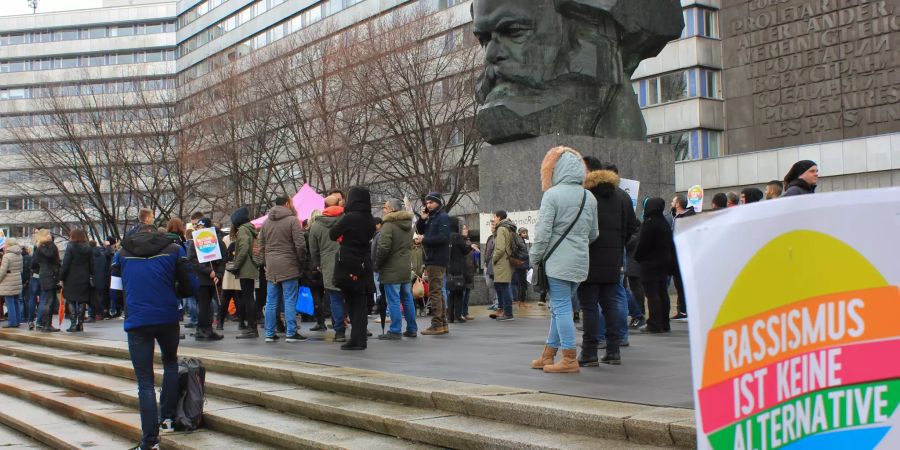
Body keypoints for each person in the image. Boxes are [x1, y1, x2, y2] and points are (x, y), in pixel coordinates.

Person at [112, 224, 193, 450]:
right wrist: (175, 293)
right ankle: (167, 418)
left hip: (137, 320)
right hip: (167, 316)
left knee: (145, 381)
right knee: (170, 363)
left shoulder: (122, 253)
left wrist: (125, 306)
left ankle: (150, 441)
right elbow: (190, 284)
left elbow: (114, 290)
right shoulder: (174, 249)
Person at [529, 146, 598, 374]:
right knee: (561, 307)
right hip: (580, 262)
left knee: (560, 307)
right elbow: (593, 233)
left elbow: (543, 233)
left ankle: (569, 358)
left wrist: (534, 258)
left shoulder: (552, 194)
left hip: (557, 262)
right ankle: (548, 354)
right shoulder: (589, 196)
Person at [577, 156, 638, 366]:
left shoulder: (585, 195)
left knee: (590, 306)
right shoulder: (621, 195)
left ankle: (589, 352)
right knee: (612, 304)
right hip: (613, 259)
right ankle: (613, 350)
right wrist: (618, 245)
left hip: (589, 258)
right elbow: (632, 226)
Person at [329, 187, 376, 350]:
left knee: (350, 302)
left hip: (348, 262)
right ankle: (360, 339)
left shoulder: (349, 218)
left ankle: (355, 339)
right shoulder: (370, 219)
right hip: (364, 263)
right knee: (361, 304)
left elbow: (332, 234)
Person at [259, 195, 309, 343]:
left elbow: (261, 245)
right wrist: (301, 261)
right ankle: (291, 332)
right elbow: (300, 245)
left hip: (271, 266)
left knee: (271, 301)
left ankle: (269, 333)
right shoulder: (293, 220)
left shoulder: (266, 222)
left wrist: (266, 261)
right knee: (289, 299)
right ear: (287, 203)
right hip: (289, 264)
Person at [374, 199, 417, 339]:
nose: (384, 210)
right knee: (407, 299)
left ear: (392, 209)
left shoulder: (388, 226)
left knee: (393, 300)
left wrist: (377, 264)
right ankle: (412, 328)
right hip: (405, 267)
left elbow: (383, 248)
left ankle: (395, 329)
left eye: (385, 207)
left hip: (391, 268)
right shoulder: (408, 225)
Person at [634, 198, 676, 334]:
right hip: (663, 263)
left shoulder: (649, 223)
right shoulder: (664, 223)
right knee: (662, 292)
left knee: (652, 294)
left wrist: (637, 257)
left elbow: (642, 245)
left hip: (649, 264)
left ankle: (654, 323)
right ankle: (665, 322)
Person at [310, 195, 347, 342]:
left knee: (335, 300)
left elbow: (313, 250)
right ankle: (359, 328)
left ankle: (339, 332)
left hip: (328, 266)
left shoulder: (316, 226)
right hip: (348, 263)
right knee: (353, 299)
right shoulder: (346, 220)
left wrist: (318, 263)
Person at [415, 192, 452, 335]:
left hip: (437, 259)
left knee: (435, 292)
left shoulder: (442, 217)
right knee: (437, 291)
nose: (428, 205)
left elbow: (442, 237)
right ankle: (442, 323)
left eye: (431, 202)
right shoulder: (432, 217)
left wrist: (424, 239)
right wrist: (422, 218)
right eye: (427, 203)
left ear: (438, 202)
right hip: (432, 258)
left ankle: (437, 324)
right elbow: (420, 230)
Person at [185, 218, 225, 341]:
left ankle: (207, 329)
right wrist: (209, 271)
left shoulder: (217, 241)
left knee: (208, 305)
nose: (198, 229)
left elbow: (223, 259)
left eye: (201, 227)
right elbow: (192, 260)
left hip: (213, 279)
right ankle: (202, 329)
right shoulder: (195, 242)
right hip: (201, 278)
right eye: (198, 227)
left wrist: (218, 274)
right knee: (204, 305)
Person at [230, 206, 261, 339]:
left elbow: (243, 249)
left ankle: (251, 328)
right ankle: (252, 327)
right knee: (250, 298)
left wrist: (235, 266)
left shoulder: (243, 230)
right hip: (251, 266)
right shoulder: (250, 228)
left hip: (245, 267)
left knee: (248, 298)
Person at [669, 195, 693, 322]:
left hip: (682, 257)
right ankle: (682, 310)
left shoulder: (686, 218)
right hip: (676, 257)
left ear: (678, 203)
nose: (671, 202)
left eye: (673, 201)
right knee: (679, 286)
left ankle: (684, 310)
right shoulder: (675, 216)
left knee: (683, 285)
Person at [32, 229, 61, 332]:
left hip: (44, 274)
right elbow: (51, 256)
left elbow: (33, 263)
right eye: (48, 234)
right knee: (50, 300)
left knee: (48, 300)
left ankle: (45, 324)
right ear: (44, 236)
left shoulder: (38, 247)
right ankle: (47, 325)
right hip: (50, 275)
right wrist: (51, 244)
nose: (50, 235)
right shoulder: (49, 246)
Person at [490, 211, 516, 321]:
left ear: (499, 217)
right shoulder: (508, 227)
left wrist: (494, 259)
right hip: (507, 261)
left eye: (494, 217)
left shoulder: (501, 229)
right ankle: (505, 311)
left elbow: (500, 249)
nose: (493, 219)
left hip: (501, 262)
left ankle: (508, 313)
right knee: (503, 287)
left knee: (504, 288)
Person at [446, 217, 472, 323]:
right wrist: (471, 247)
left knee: (451, 293)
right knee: (459, 293)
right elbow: (465, 250)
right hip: (458, 268)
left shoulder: (447, 237)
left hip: (449, 268)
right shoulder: (457, 236)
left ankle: (450, 317)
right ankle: (458, 315)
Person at [0, 239, 23, 328]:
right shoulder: (19, 255)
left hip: (8, 281)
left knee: (9, 302)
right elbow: (21, 269)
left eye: (5, 243)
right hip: (17, 279)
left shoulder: (7, 256)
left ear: (8, 244)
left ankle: (12, 322)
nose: (4, 245)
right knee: (16, 301)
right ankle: (17, 321)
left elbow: (3, 271)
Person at [89, 240, 110, 322]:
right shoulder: (102, 255)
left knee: (92, 298)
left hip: (92, 280)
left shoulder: (89, 255)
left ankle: (93, 314)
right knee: (100, 297)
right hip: (102, 279)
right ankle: (101, 314)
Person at [483, 222, 499, 310]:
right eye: (492, 225)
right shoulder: (490, 237)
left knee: (496, 284)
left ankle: (497, 302)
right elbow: (487, 251)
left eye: (494, 225)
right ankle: (494, 302)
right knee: (489, 284)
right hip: (487, 264)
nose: (493, 227)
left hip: (494, 264)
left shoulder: (498, 237)